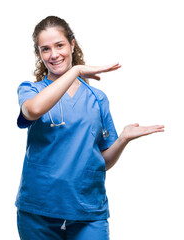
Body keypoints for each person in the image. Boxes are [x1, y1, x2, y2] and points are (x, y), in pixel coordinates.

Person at [15, 16, 164, 240]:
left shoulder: (97, 98)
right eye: (45, 49)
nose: (53, 54)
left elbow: (101, 163)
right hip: (39, 211)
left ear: (72, 44)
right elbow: (33, 110)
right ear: (39, 54)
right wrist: (75, 71)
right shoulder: (31, 90)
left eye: (59, 45)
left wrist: (123, 139)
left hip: (87, 211)